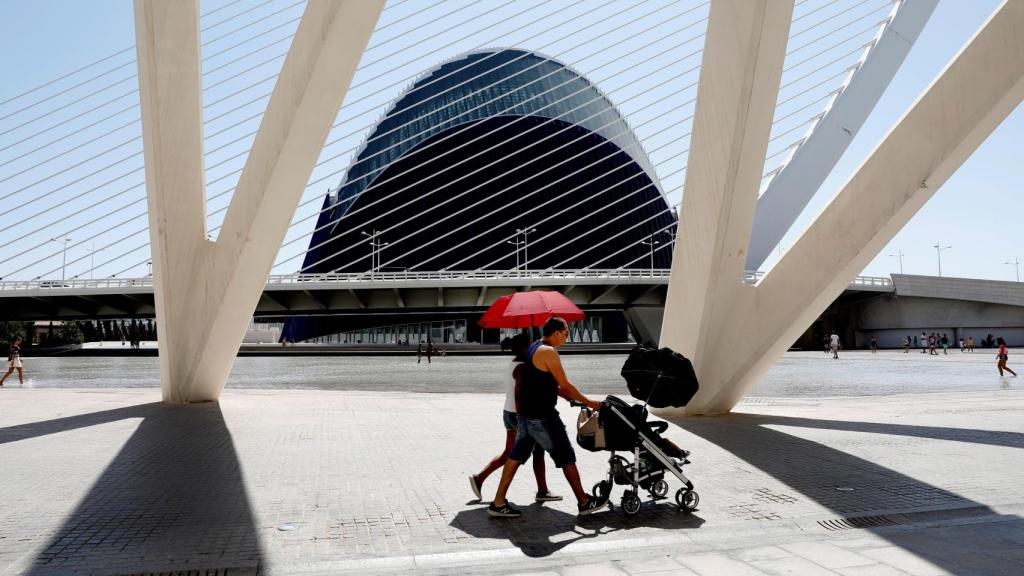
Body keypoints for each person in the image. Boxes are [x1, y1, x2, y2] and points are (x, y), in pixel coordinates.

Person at [488, 317, 608, 518]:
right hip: (543, 418)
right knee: (566, 455)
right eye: (567, 333)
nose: (567, 337)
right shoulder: (549, 352)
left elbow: (544, 382)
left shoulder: (535, 346)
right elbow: (565, 385)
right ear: (557, 332)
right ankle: (584, 502)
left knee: (515, 457)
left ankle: (498, 503)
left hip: (527, 416)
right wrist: (590, 402)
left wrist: (563, 395)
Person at [469, 334, 559, 504]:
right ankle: (537, 492)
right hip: (519, 414)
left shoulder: (514, 363)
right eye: (531, 344)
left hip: (508, 412)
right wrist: (520, 416)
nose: (534, 347)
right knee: (527, 454)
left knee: (510, 453)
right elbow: (519, 393)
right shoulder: (522, 368)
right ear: (525, 347)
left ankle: (479, 478)